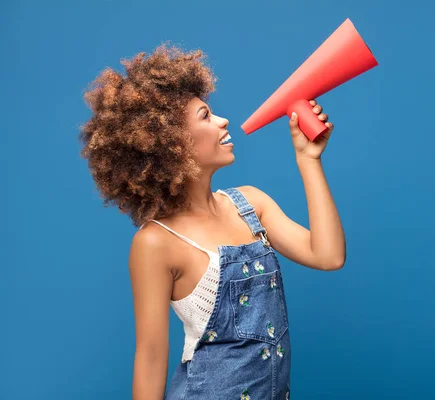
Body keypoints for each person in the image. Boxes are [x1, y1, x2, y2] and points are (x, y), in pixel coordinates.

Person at [79, 43, 346, 400]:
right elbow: (151, 356)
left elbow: (328, 256)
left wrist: (309, 160)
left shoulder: (251, 204)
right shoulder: (155, 242)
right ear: (172, 144)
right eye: (205, 116)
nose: (222, 121)